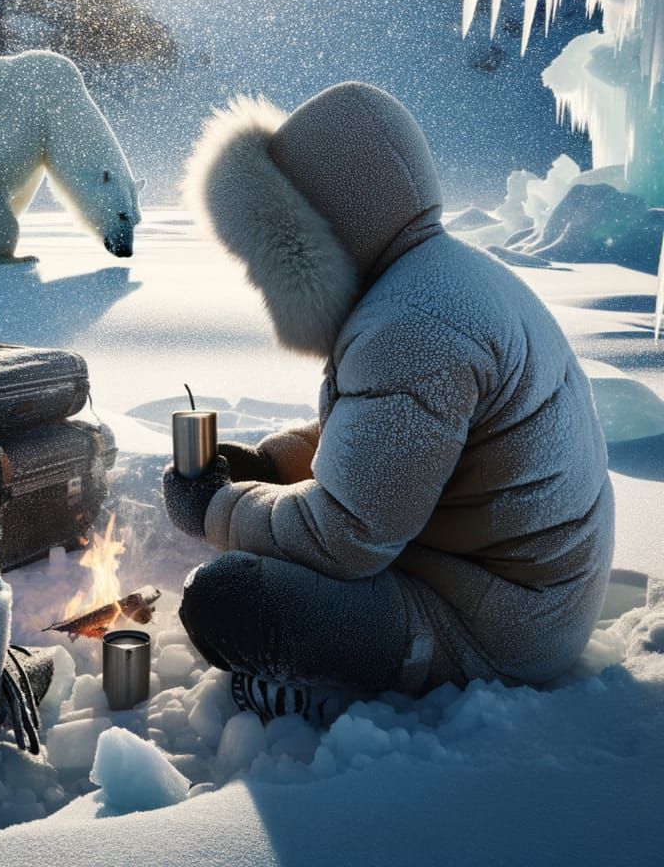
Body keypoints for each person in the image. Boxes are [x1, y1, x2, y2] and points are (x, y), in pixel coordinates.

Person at [163, 83, 614, 722]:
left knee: (229, 602)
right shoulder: (442, 278)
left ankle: (328, 693)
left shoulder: (412, 328)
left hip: (493, 629)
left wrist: (216, 506)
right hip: (524, 592)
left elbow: (344, 537)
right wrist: (267, 466)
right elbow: (386, 443)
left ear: (315, 231)